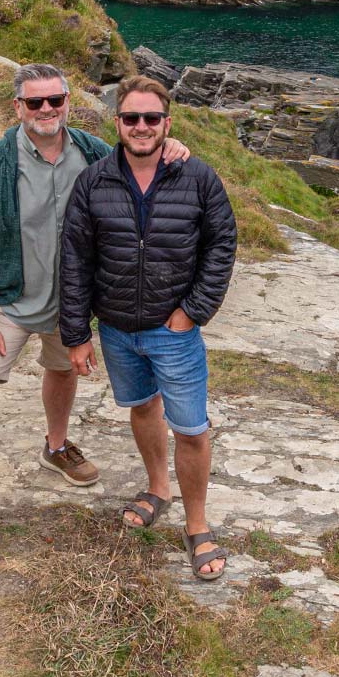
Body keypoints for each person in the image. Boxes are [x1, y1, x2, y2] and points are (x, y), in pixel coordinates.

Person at [0, 63, 190, 568]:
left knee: (61, 370)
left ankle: (57, 445)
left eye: (55, 100)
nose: (47, 110)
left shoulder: (92, 153)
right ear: (17, 107)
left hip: (73, 304)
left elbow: (144, 152)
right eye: (34, 102)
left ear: (69, 101)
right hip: (9, 303)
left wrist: (174, 149)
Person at [62, 75, 238, 581]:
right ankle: (158, 488)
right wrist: (76, 333)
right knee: (142, 407)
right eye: (131, 118)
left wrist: (193, 312)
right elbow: (74, 259)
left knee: (191, 427)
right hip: (116, 329)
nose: (141, 126)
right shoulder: (94, 180)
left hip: (174, 330)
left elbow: (221, 245)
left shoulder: (198, 177)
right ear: (117, 122)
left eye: (152, 118)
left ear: (167, 123)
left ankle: (197, 525)